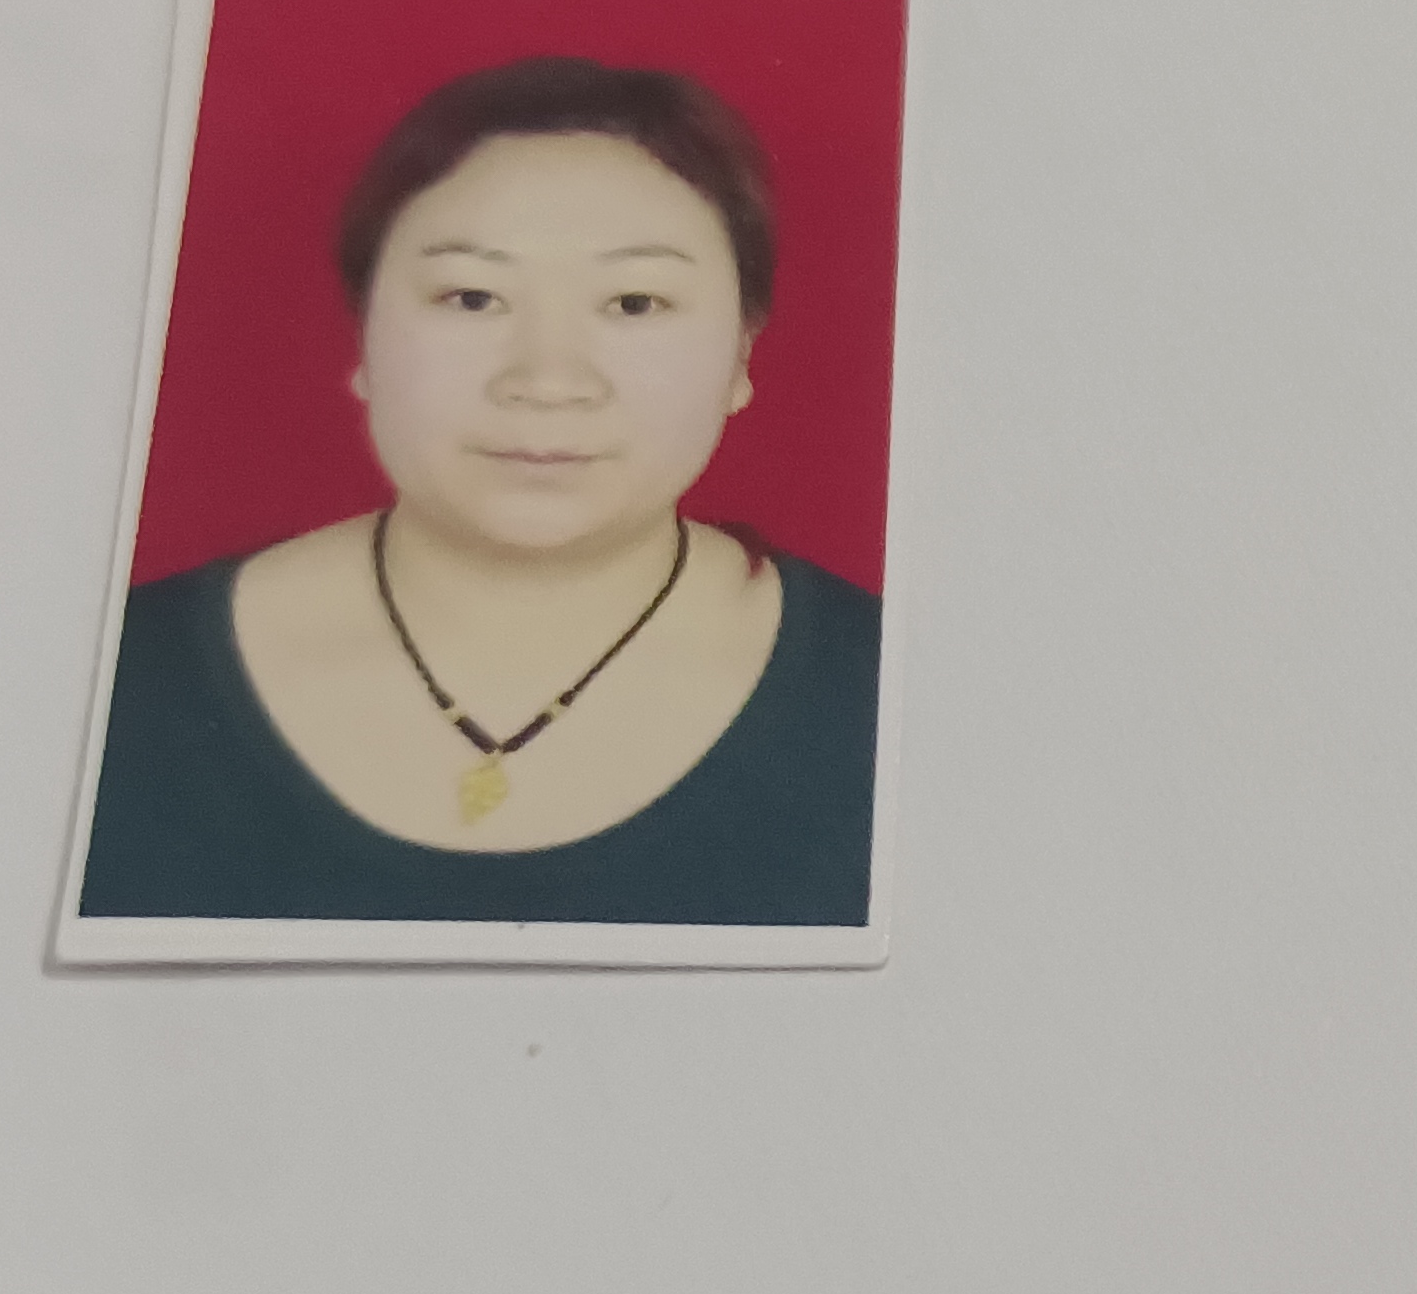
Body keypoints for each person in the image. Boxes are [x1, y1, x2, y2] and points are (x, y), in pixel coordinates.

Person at [77, 55, 880, 927]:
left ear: (742, 354)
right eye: (471, 297)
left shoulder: (891, 695)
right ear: (364, 337)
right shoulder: (103, 679)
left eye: (635, 303)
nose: (546, 379)